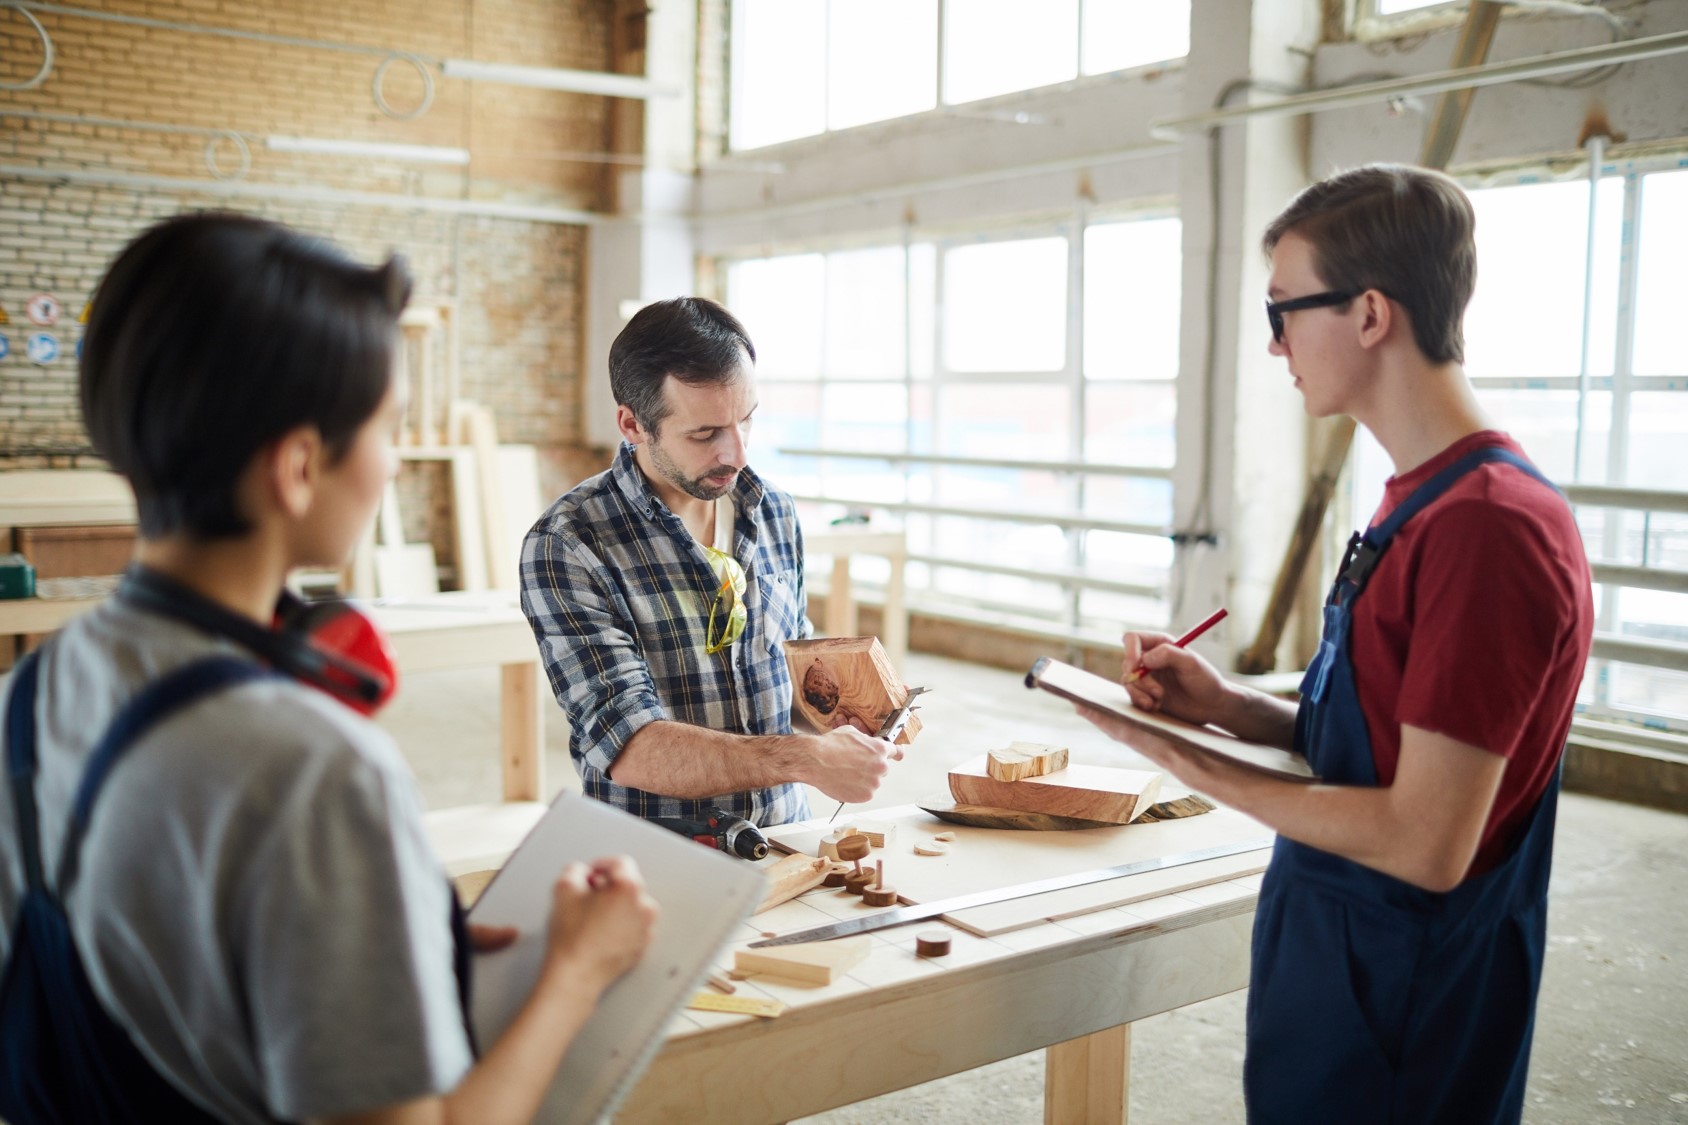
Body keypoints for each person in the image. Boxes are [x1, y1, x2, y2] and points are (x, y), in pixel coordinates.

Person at [0, 213, 658, 1125]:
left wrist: (376, 945)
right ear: (300, 468)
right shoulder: (313, 766)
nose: (392, 463)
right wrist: (580, 970)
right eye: (388, 428)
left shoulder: (29, 692)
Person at [1074, 165, 1593, 1124]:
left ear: (1368, 314)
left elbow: (1428, 840)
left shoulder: (1489, 528)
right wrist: (1223, 707)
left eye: (1284, 312)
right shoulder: (1417, 500)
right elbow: (1377, 744)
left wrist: (1186, 761)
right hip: (1341, 967)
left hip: (1409, 1005)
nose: (1275, 348)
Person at [520, 297, 900, 827]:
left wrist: (846, 715)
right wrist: (805, 760)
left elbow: (783, 682)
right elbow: (629, 744)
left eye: (746, 421)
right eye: (705, 434)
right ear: (633, 426)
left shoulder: (772, 513)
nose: (738, 454)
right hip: (657, 860)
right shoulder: (571, 544)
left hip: (789, 838)